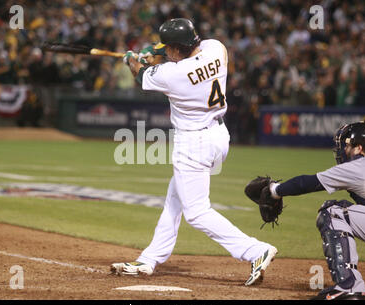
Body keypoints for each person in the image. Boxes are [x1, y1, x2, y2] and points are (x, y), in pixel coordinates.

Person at [110, 18, 277, 286]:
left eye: (170, 48)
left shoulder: (171, 75)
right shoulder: (216, 48)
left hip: (194, 143)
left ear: (177, 48)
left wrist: (133, 58)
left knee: (197, 212)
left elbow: (141, 75)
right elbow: (175, 55)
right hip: (219, 135)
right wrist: (158, 52)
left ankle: (255, 250)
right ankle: (150, 258)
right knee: (174, 198)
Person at [265, 120, 365, 300]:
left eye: (348, 146)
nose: (344, 150)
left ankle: (348, 285)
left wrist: (274, 191)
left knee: (333, 211)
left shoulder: (359, 166)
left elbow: (307, 183)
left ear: (359, 148)